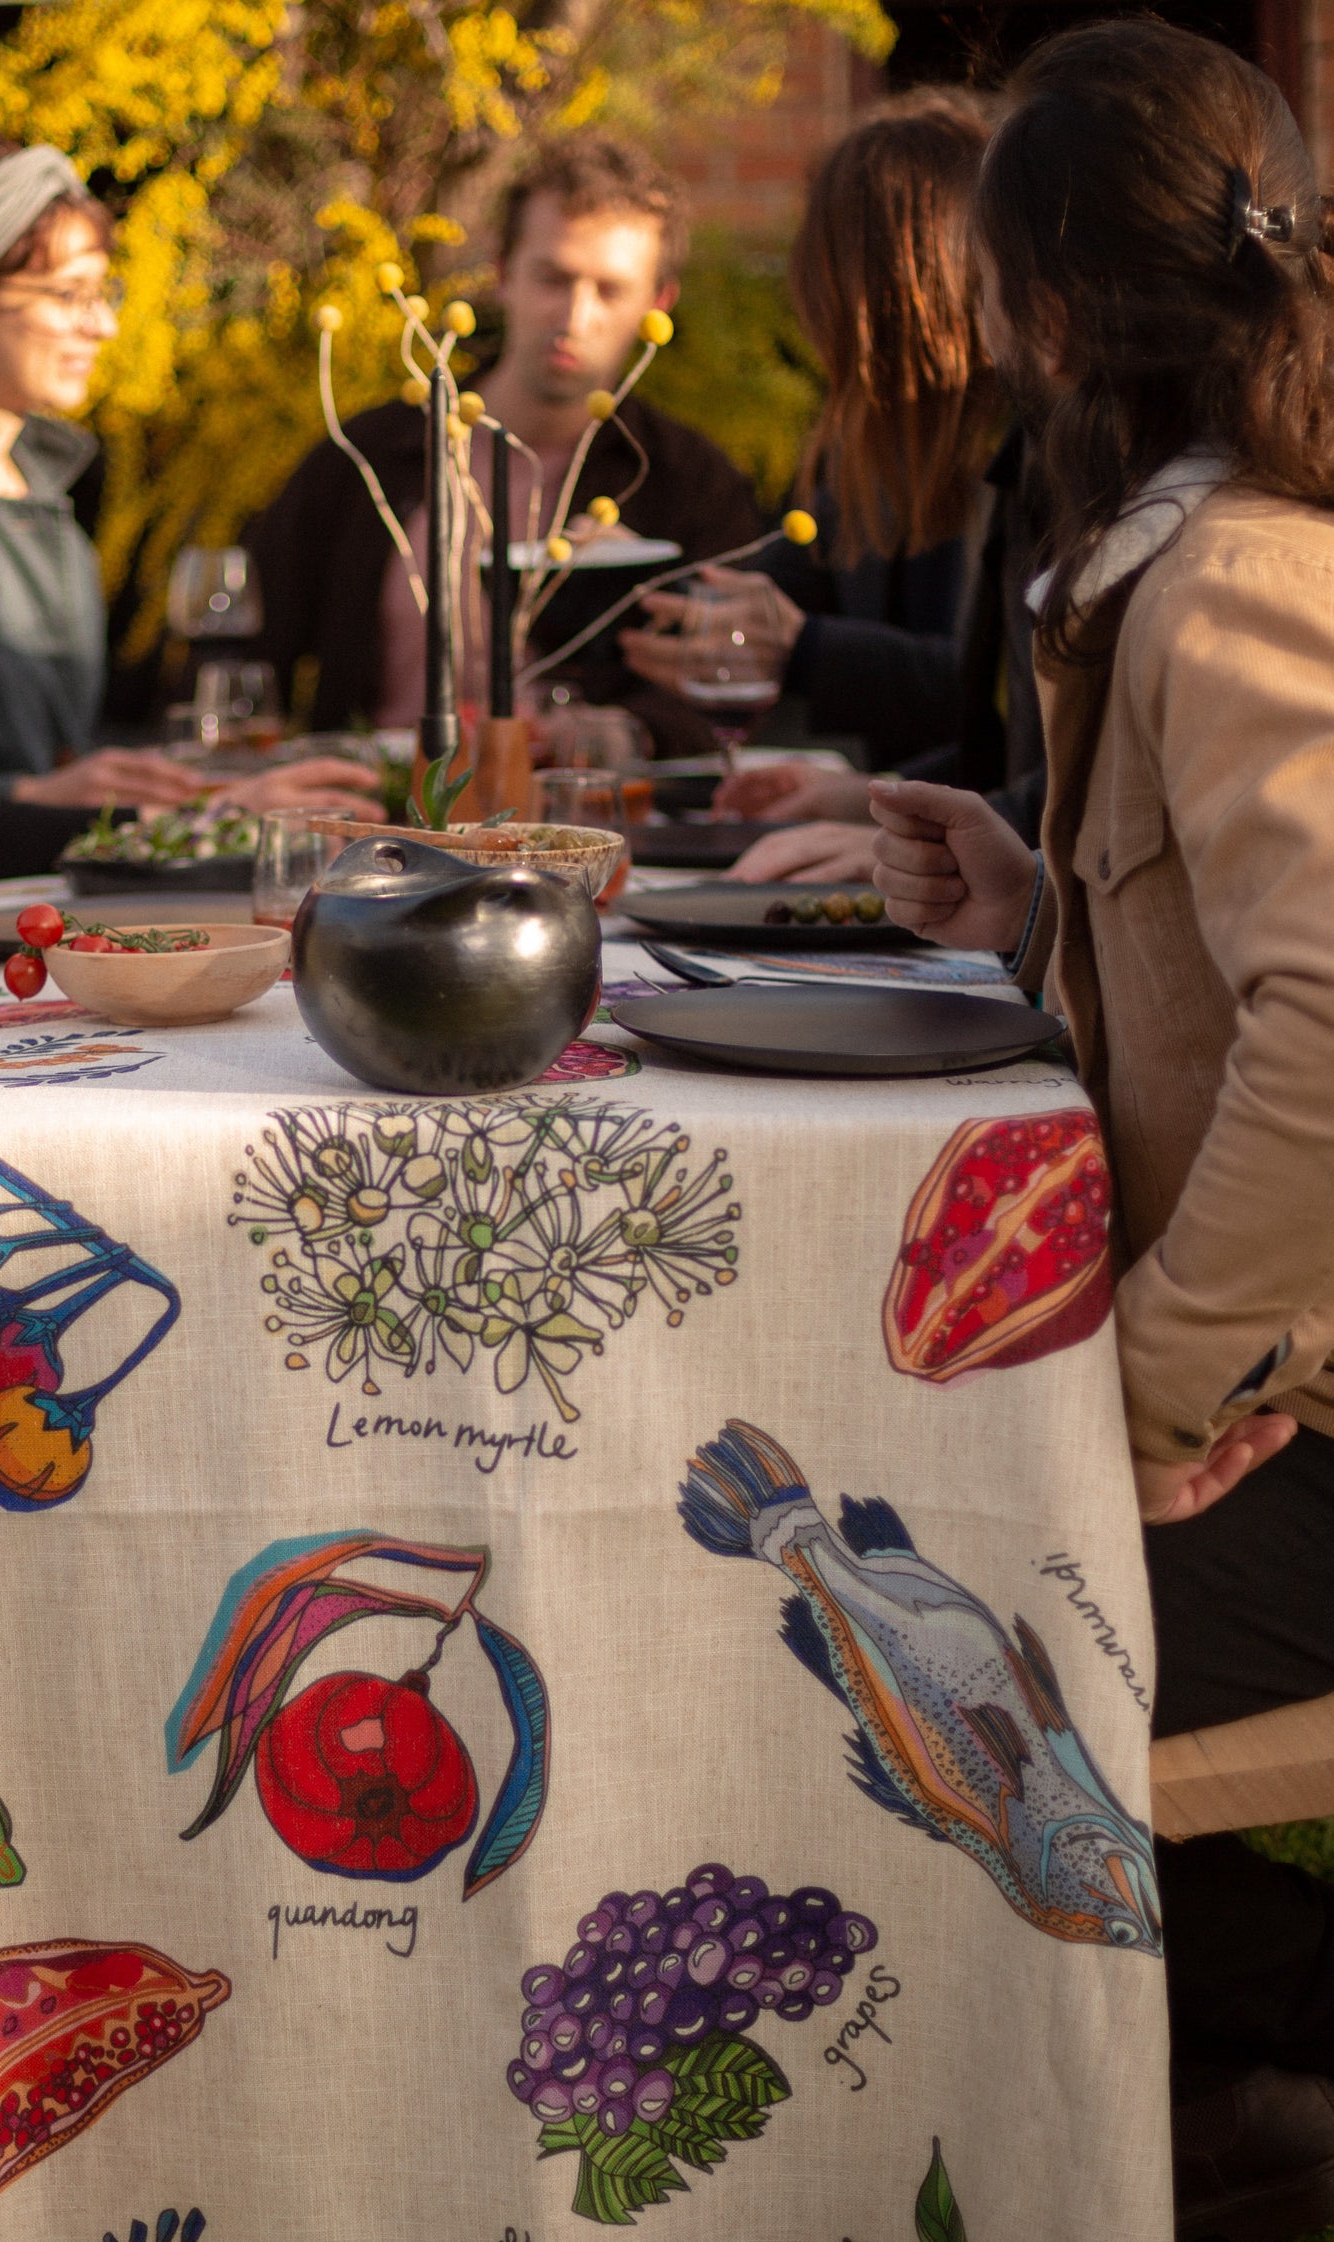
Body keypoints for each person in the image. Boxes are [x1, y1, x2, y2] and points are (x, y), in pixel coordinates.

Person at [866, 25, 1334, 2237]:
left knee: (894, 1656)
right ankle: (1210, 2098)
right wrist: (1034, 896)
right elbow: (1237, 965)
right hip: (1280, 1389)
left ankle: (1152, 2122)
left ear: (1049, 306)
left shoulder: (1228, 565)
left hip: (1303, 1425)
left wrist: (1144, 1391)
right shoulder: (1216, 538)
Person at [0, 95, 378, 827]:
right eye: (68, 295)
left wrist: (218, 785)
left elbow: (78, 770)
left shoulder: (51, 509)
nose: (105, 324)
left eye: (103, 292)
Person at [617, 94, 1044, 882]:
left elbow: (1012, 721)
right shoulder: (866, 462)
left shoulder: (1034, 467)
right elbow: (756, 592)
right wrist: (595, 586)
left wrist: (809, 653)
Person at [246, 136, 762, 748]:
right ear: (501, 273)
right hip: (382, 825)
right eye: (553, 278)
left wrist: (624, 734)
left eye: (610, 290)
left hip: (580, 824)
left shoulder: (684, 480)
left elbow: (737, 671)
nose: (575, 317)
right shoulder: (374, 453)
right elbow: (247, 641)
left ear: (660, 303)